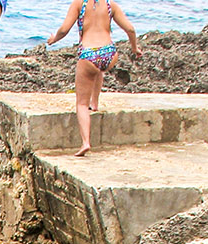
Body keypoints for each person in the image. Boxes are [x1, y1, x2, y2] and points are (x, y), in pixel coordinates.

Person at [46, 0, 143, 156]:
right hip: (109, 53)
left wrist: (54, 39)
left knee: (81, 104)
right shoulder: (111, 5)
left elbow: (64, 29)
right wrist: (134, 48)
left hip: (89, 54)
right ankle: (95, 103)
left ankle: (85, 142)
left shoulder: (79, 4)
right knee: (98, 70)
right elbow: (130, 29)